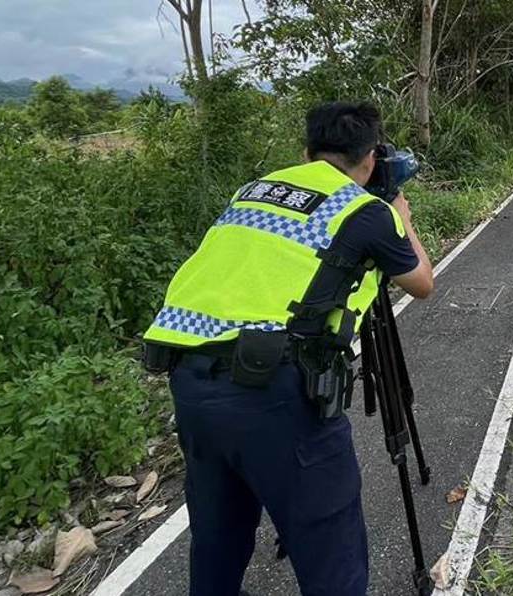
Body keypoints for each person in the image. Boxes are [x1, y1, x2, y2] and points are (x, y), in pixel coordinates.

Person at [142, 101, 434, 596]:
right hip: (276, 393)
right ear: (371, 159)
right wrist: (400, 217)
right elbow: (422, 282)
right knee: (329, 550)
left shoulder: (253, 190)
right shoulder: (368, 212)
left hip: (189, 379)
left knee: (217, 537)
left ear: (305, 153)